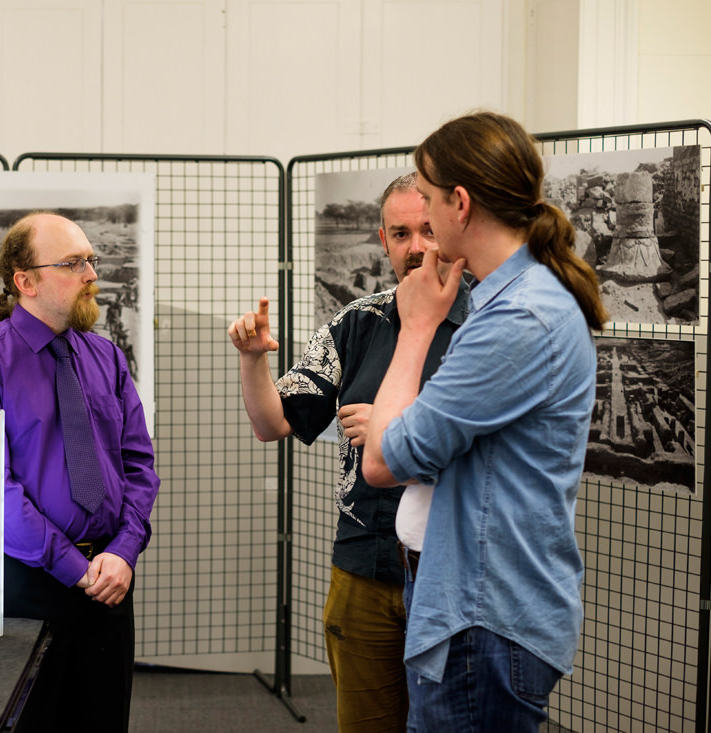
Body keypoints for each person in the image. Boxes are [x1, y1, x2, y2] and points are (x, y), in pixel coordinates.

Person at [362, 111, 607, 732]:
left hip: (484, 620)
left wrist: (416, 326)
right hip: (475, 608)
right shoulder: (517, 300)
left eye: (428, 194)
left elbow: (383, 460)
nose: (422, 215)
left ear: (459, 204)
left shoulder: (518, 319)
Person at [227, 172, 469, 732]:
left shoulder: (489, 322)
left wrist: (399, 427)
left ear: (452, 229)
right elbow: (273, 423)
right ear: (381, 240)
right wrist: (251, 359)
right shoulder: (355, 322)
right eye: (401, 233)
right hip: (362, 563)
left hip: (454, 569)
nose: (416, 248)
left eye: (428, 231)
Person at [0, 212, 159, 732]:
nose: (90, 274)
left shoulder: (106, 358)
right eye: (73, 262)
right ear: (25, 281)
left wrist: (122, 551)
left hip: (109, 584)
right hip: (25, 589)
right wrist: (75, 568)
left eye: (90, 260)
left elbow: (138, 465)